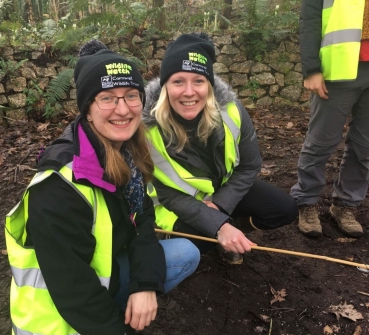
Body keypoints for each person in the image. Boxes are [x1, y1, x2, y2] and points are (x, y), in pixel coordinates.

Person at [5, 40, 200, 335]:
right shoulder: (59, 186)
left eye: (131, 96)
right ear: (87, 108)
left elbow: (143, 220)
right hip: (53, 320)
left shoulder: (129, 153)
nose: (123, 109)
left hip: (98, 275)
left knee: (185, 253)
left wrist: (144, 285)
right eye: (107, 98)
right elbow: (73, 289)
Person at [143, 33, 298, 264]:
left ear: (210, 85)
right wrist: (216, 223)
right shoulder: (145, 128)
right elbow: (165, 193)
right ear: (165, 86)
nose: (188, 92)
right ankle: (183, 235)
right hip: (173, 203)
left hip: (221, 191)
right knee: (201, 241)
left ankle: (230, 231)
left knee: (284, 209)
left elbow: (249, 165)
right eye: (178, 81)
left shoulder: (231, 111)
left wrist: (220, 207)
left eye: (198, 81)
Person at [291, 0, 369, 237]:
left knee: (365, 146)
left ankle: (345, 205)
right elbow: (311, 18)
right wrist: (312, 68)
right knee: (321, 141)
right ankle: (306, 202)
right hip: (340, 67)